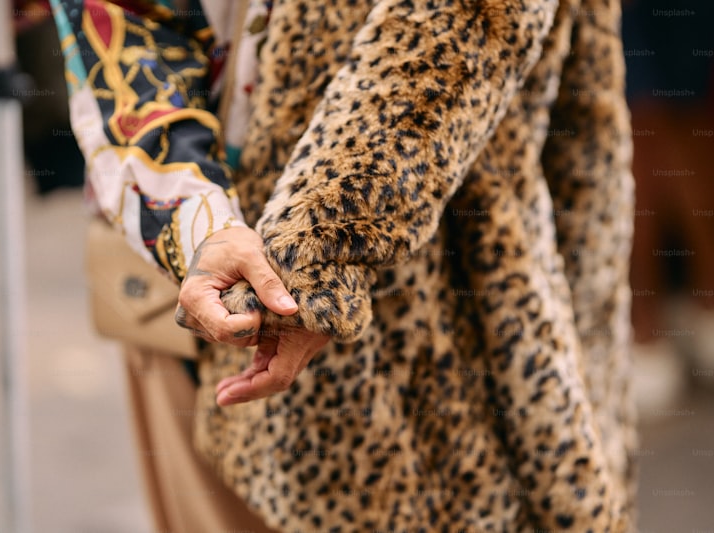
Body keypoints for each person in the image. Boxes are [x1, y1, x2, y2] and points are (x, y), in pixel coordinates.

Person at [51, 0, 637, 531]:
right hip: (194, 281)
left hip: (434, 302)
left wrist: (314, 256)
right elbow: (127, 19)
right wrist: (198, 225)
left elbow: (459, 26)